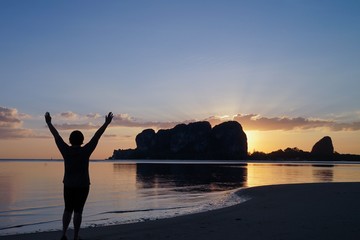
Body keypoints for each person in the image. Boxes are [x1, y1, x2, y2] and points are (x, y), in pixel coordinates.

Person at [45, 112, 113, 240]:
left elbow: (56, 136)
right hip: (83, 185)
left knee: (67, 209)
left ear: (70, 140)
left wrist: (49, 122)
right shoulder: (85, 151)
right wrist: (106, 123)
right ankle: (75, 236)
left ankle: (64, 234)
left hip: (69, 184)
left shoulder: (66, 150)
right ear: (82, 141)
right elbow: (96, 136)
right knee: (78, 211)